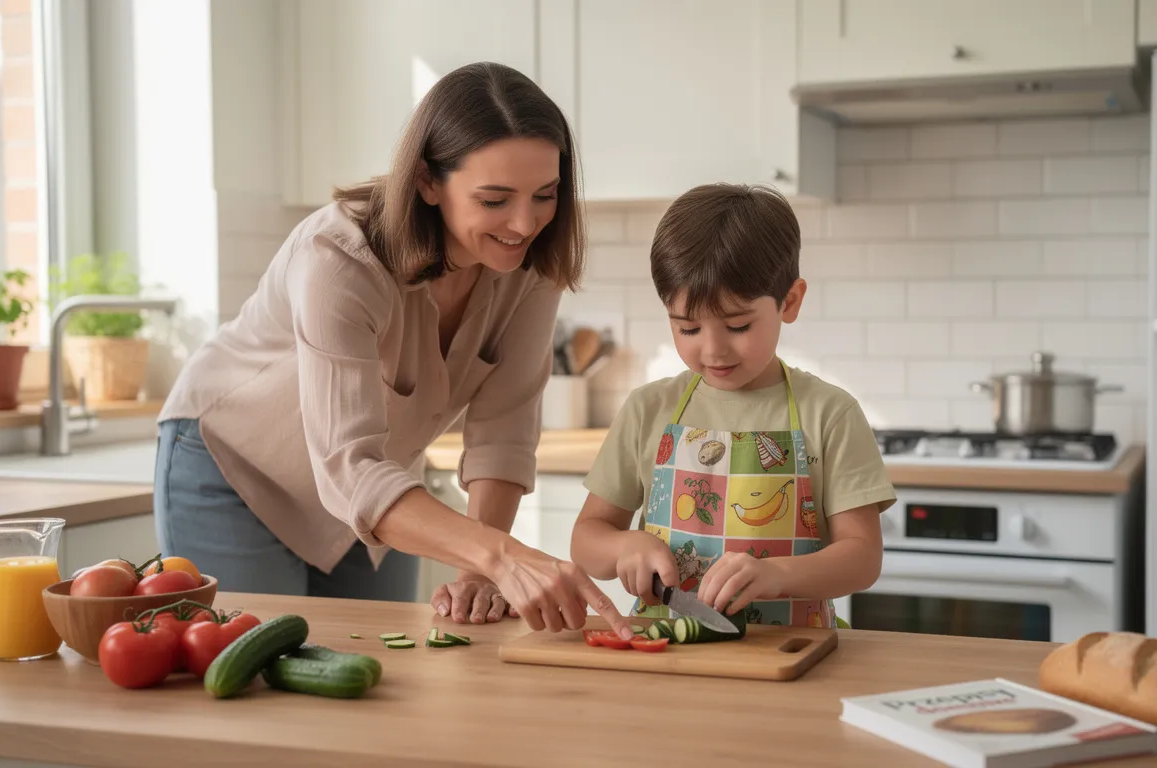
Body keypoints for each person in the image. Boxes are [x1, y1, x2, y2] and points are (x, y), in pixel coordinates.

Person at [154, 62, 632, 639]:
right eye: (495, 199)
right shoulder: (338, 257)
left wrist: (475, 572)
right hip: (234, 470)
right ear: (428, 181)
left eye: (545, 195)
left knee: (383, 675)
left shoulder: (529, 264)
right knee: (255, 683)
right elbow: (348, 467)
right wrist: (501, 557)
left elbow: (504, 432)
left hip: (381, 489)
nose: (525, 223)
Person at [570, 183, 896, 628]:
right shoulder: (648, 409)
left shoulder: (830, 414)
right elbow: (587, 537)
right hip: (666, 648)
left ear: (791, 301)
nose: (713, 350)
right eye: (687, 328)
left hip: (790, 651)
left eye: (738, 325)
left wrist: (778, 574)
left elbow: (862, 557)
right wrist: (622, 547)